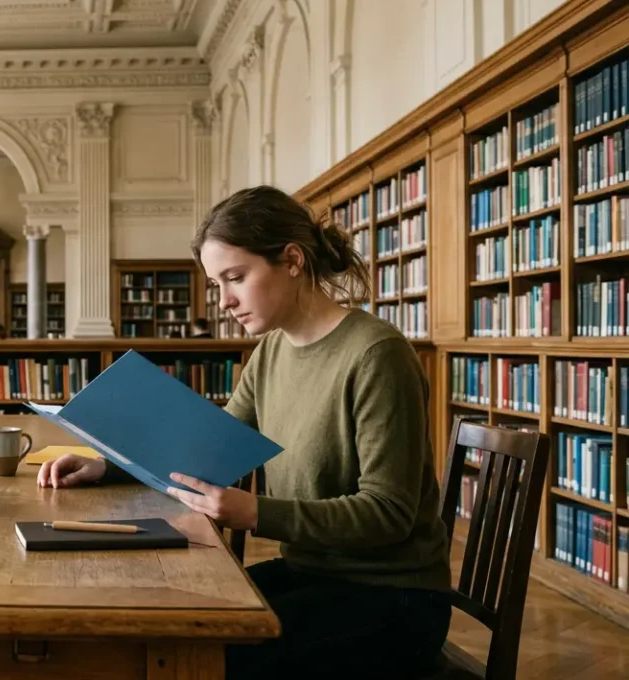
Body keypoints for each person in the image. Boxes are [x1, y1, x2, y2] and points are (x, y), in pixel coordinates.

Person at [36, 185, 452, 679]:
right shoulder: (272, 352)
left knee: (202, 656)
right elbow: (210, 446)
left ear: (292, 260)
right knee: (169, 628)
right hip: (312, 573)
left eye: (236, 278)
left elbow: (389, 514)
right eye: (216, 284)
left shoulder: (376, 355)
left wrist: (253, 511)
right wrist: (105, 465)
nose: (225, 301)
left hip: (392, 597)